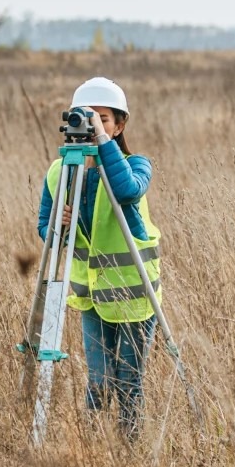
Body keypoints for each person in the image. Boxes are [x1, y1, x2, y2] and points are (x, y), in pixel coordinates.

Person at [36, 76, 162, 440]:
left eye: (103, 118)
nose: (93, 125)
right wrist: (58, 227)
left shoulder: (137, 164)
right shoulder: (61, 170)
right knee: (99, 380)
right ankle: (93, 448)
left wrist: (103, 143)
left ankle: (129, 448)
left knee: (128, 380)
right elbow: (46, 230)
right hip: (90, 294)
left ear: (119, 125)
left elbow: (127, 191)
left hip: (134, 293)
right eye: (87, 116)